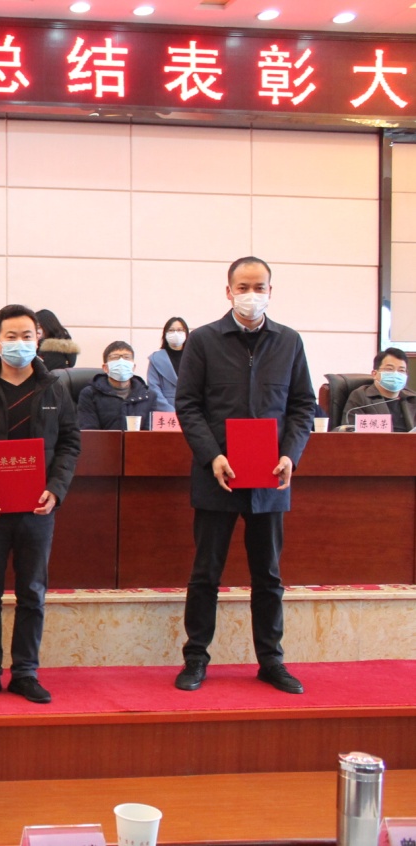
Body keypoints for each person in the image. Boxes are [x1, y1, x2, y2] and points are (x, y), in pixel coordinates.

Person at [173, 257, 316, 696]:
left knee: (268, 576)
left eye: (259, 287)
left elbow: (303, 406)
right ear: (228, 291)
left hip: (270, 477)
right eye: (243, 287)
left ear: (271, 291)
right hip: (217, 475)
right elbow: (188, 405)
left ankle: (271, 661)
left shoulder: (289, 341)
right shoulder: (203, 340)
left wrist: (291, 454)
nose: (251, 295)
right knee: (205, 574)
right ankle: (196, 658)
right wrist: (211, 456)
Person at [0, 304, 81, 705]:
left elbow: (70, 442)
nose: (19, 343)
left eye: (27, 336)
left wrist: (56, 488)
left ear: (38, 339)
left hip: (38, 509)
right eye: (11, 336)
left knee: (32, 593)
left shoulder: (55, 388)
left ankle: (25, 672)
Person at [77, 341, 172, 430]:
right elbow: (89, 432)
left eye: (126, 357)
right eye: (115, 357)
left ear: (133, 367)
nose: (121, 362)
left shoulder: (148, 395)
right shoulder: (90, 394)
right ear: (105, 368)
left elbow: (149, 433)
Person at [342, 348, 416, 431]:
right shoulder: (361, 397)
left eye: (401, 370)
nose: (396, 374)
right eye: (389, 369)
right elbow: (350, 431)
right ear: (375, 374)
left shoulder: (413, 399)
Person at [147, 317, 190, 409]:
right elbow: (153, 388)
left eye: (180, 330)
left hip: (190, 407)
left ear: (186, 333)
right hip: (165, 409)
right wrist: (168, 410)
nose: (175, 333)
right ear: (165, 334)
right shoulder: (156, 358)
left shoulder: (194, 356)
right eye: (171, 330)